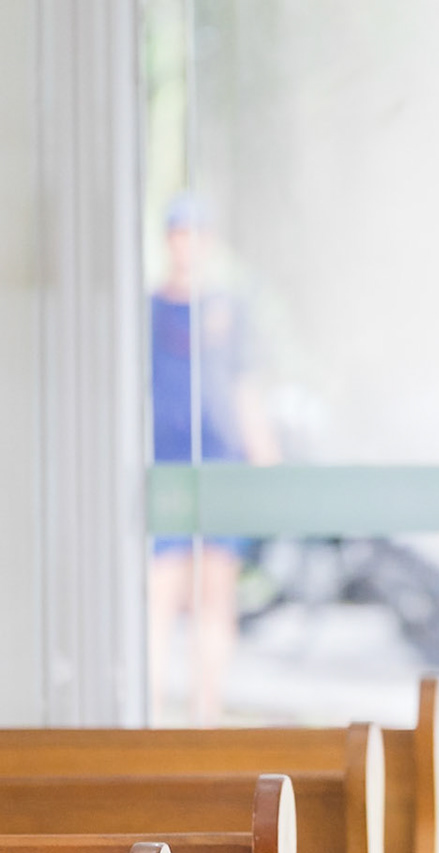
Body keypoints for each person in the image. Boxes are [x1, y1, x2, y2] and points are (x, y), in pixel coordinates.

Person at [148, 192, 278, 724]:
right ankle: (149, 717)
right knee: (159, 595)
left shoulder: (229, 310)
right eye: (179, 233)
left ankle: (207, 716)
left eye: (196, 234)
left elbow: (243, 385)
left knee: (214, 596)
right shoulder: (149, 310)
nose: (188, 245)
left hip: (221, 466)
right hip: (165, 467)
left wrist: (264, 457)